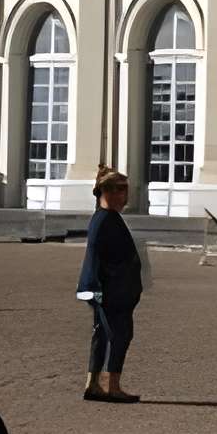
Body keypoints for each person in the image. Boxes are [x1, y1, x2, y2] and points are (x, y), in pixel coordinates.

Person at [76, 167, 147, 404]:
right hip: (110, 290)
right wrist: (97, 287)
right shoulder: (105, 219)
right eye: (120, 190)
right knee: (120, 335)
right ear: (105, 192)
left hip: (109, 289)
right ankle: (110, 386)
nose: (125, 196)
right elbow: (97, 256)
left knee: (103, 335)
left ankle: (94, 382)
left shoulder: (106, 218)